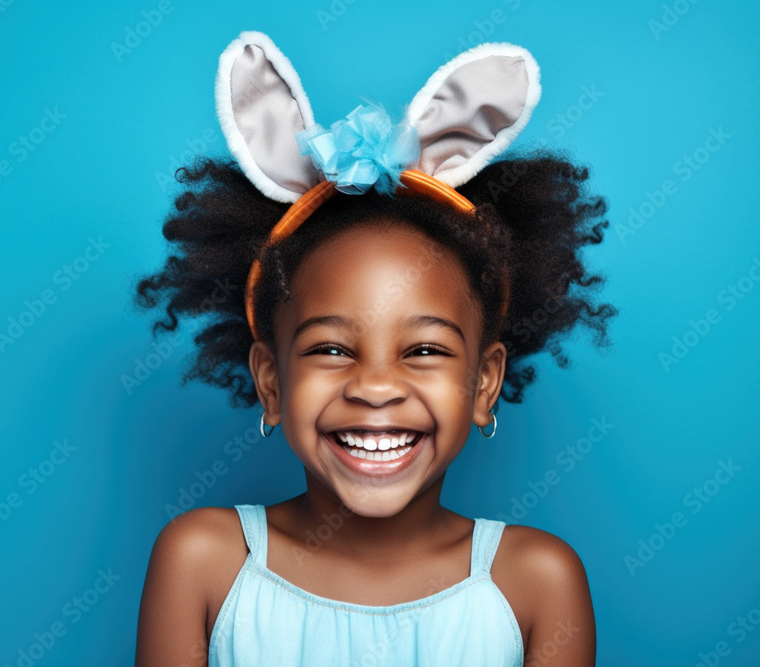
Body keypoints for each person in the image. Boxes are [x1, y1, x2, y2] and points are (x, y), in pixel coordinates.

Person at [133, 31, 616, 666]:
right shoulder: (205, 563)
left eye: (425, 350)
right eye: (331, 349)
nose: (376, 386)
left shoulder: (533, 582)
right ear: (272, 381)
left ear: (484, 384)